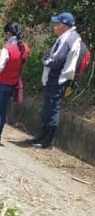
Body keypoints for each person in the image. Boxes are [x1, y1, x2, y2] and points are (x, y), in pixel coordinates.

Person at [28, 12, 81, 149]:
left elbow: (56, 60)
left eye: (57, 24)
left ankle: (47, 140)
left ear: (64, 26)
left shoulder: (67, 39)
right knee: (48, 108)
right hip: (56, 78)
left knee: (52, 108)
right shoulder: (69, 37)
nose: (54, 26)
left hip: (56, 79)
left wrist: (46, 60)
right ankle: (42, 137)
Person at [0, 22, 30, 146]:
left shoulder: (7, 49)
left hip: (0, 81)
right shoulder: (24, 47)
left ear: (8, 33)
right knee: (3, 110)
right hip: (12, 82)